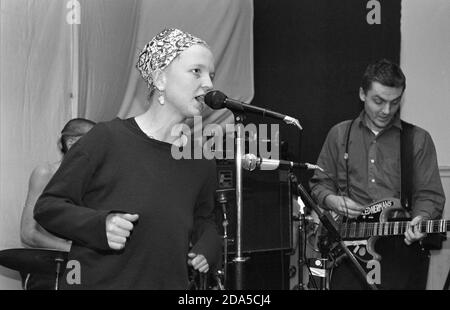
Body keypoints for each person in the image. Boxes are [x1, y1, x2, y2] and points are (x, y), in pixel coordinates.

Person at [34, 28, 222, 289]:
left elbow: (205, 220)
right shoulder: (107, 138)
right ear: (160, 79)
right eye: (196, 71)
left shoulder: (200, 160)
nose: (209, 85)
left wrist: (208, 247)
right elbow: (49, 206)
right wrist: (101, 225)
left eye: (211, 75)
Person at [309, 59, 445, 290]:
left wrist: (421, 218)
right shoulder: (339, 134)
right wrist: (331, 200)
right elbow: (320, 184)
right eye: (379, 101)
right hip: (348, 245)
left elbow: (429, 195)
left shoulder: (418, 139)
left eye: (395, 102)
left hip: (399, 243)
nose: (386, 110)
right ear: (362, 94)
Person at [19, 118, 96, 289]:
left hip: (81, 269)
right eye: (95, 142)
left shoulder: (95, 181)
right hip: (47, 269)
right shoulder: (45, 173)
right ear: (72, 143)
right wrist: (69, 249)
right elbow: (27, 233)